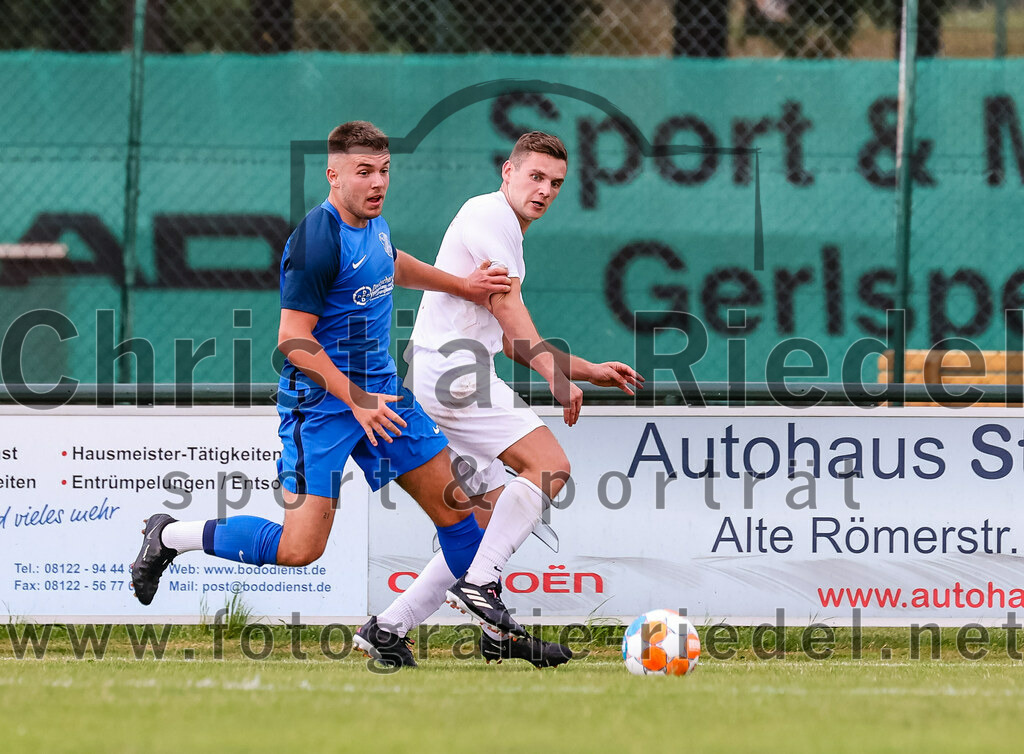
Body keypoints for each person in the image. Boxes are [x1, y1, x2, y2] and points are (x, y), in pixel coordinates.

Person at [129, 121, 512, 668]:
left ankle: (414, 631)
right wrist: (355, 399)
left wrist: (463, 286)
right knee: (299, 549)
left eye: (384, 171)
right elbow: (292, 337)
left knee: (461, 519)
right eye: (364, 172)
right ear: (332, 175)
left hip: (382, 399)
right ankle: (169, 535)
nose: (377, 183)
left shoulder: (374, 224)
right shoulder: (317, 239)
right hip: (324, 408)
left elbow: (391, 262)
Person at [364, 131, 643, 668]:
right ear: (507, 173)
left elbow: (513, 340)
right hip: (456, 375)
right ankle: (482, 589)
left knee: (482, 527)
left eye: (555, 183)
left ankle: (390, 628)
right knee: (549, 466)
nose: (545, 190)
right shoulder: (489, 214)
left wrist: (588, 370)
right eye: (535, 176)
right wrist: (555, 377)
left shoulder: (506, 230)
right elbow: (510, 310)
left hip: (446, 374)